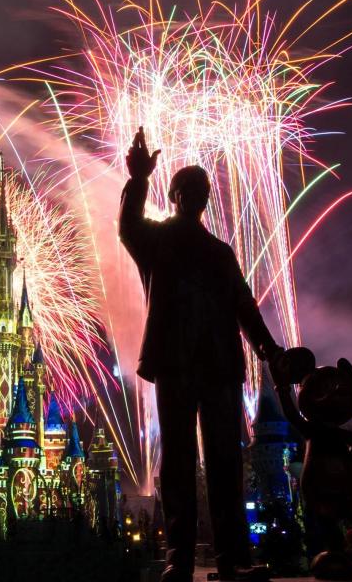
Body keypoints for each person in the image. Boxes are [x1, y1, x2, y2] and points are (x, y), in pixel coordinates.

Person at [119, 127, 283, 582]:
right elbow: (127, 226)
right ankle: (180, 555)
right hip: (174, 362)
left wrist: (268, 348)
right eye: (190, 188)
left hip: (219, 366)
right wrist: (138, 180)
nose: (198, 195)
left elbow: (245, 306)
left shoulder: (220, 252)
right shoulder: (156, 240)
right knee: (176, 460)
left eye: (203, 190)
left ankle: (233, 557)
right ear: (174, 194)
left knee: (227, 461)